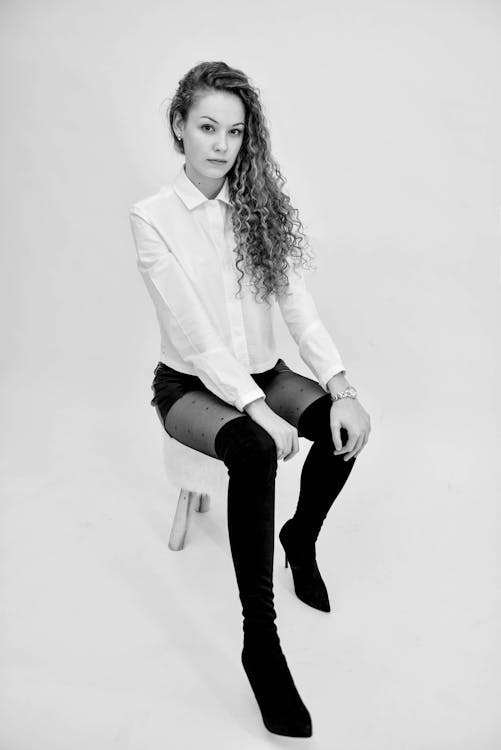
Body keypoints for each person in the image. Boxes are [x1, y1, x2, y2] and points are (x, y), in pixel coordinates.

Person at [128, 60, 371, 738]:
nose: (220, 144)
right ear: (179, 127)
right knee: (254, 447)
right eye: (206, 127)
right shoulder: (151, 219)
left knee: (350, 427)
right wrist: (254, 410)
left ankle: (301, 537)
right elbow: (193, 333)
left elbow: (296, 303)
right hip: (191, 388)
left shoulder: (257, 204)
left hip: (265, 373)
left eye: (234, 131)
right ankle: (259, 643)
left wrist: (338, 383)